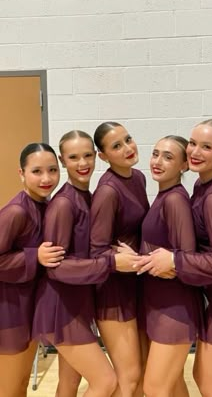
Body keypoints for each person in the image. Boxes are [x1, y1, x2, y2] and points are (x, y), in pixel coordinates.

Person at [136, 119, 212, 397]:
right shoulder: (203, 187)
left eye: (207, 147)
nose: (195, 151)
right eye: (193, 143)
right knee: (205, 380)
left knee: (211, 387)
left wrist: (176, 261)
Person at [33, 130, 118, 397]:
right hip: (61, 308)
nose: (83, 163)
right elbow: (56, 267)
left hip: (77, 304)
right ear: (62, 160)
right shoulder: (64, 204)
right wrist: (112, 263)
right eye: (73, 157)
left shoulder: (86, 196)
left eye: (88, 155)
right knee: (106, 382)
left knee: (69, 383)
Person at [135, 135, 203, 397]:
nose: (158, 161)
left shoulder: (175, 199)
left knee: (154, 388)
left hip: (174, 309)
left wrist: (145, 260)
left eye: (168, 157)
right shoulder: (163, 196)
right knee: (173, 385)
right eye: (155, 154)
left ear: (184, 165)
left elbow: (184, 258)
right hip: (159, 303)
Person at [90, 122, 150, 396]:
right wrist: (127, 260)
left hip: (134, 284)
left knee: (139, 375)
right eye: (116, 146)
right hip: (113, 291)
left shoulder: (138, 177)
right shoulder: (108, 192)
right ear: (103, 156)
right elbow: (97, 251)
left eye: (128, 139)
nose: (128, 148)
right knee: (128, 377)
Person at [0, 143, 62, 397]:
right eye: (37, 171)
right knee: (10, 385)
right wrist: (34, 255)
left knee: (22, 381)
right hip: (9, 309)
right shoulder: (16, 211)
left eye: (52, 170)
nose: (46, 178)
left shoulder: (45, 205)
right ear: (21, 173)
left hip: (29, 305)